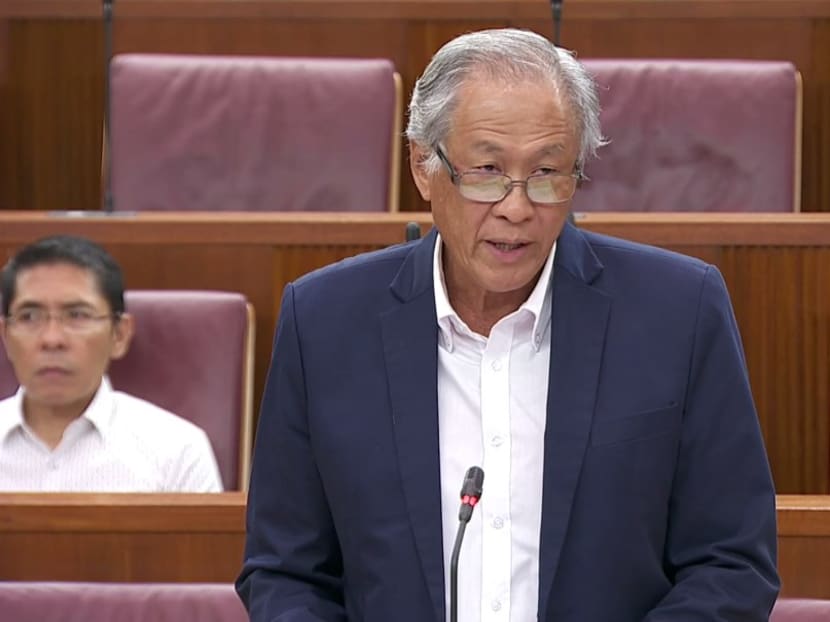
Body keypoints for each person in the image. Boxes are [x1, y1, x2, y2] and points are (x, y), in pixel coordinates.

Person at [238, 28, 779, 621]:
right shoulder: (324, 323)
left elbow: (731, 563)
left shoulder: (678, 312)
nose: (518, 207)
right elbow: (285, 572)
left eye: (549, 173)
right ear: (424, 166)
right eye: (488, 171)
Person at [0, 235, 223, 492]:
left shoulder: (177, 450)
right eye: (29, 316)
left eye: (77, 315)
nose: (52, 339)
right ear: (6, 336)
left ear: (119, 334)